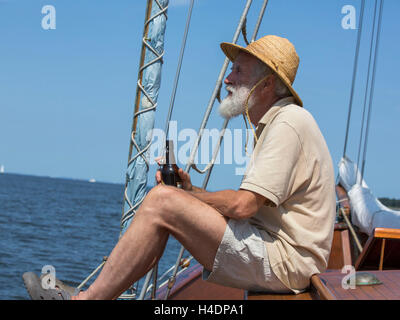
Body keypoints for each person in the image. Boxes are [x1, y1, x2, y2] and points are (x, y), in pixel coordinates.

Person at [23, 35, 336, 300]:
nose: (227, 79)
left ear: (266, 84)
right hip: (280, 254)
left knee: (161, 201)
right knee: (168, 201)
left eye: (238, 71)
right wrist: (190, 192)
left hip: (286, 262)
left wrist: (183, 198)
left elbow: (243, 205)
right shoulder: (278, 123)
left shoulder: (288, 123)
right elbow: (249, 207)